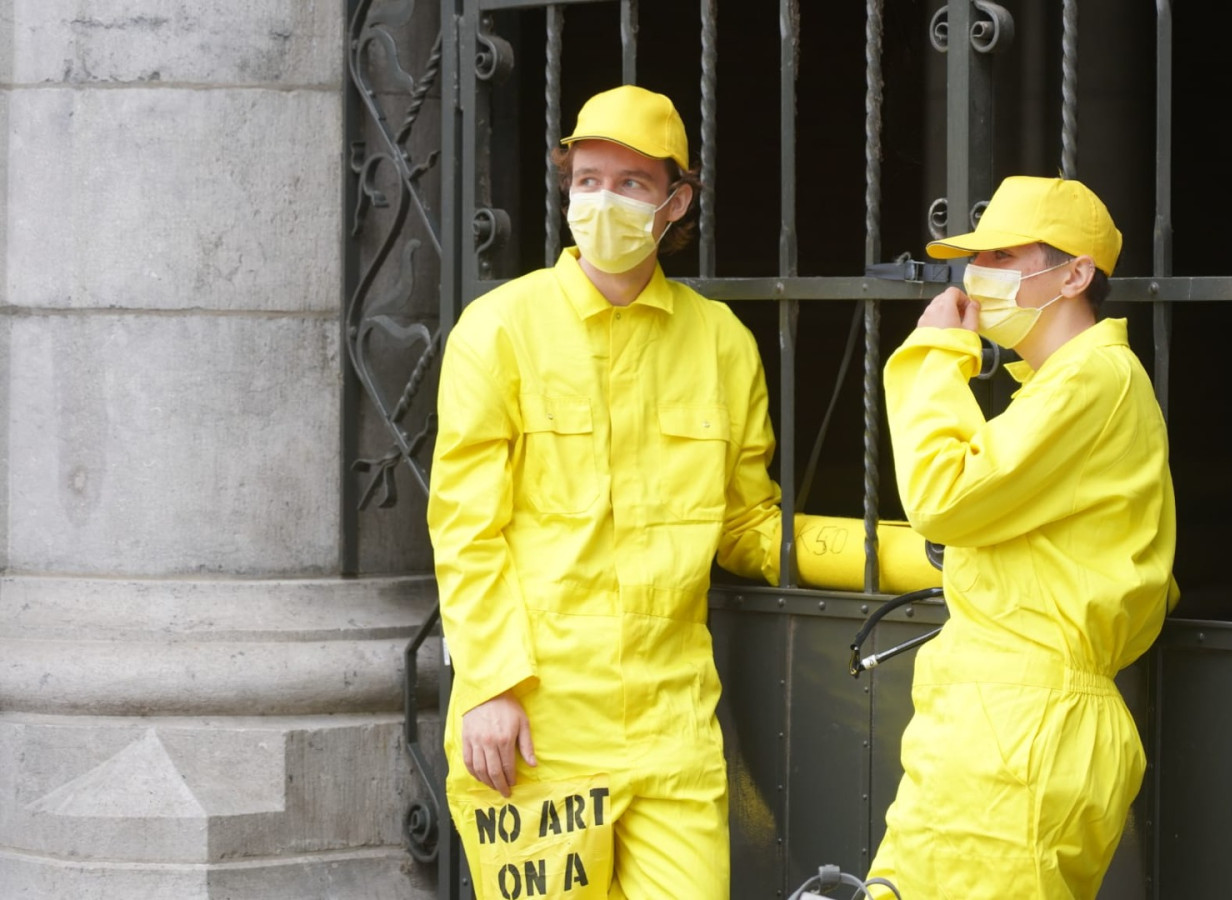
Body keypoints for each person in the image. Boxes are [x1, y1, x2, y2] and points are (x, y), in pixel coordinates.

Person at [427, 85, 935, 900]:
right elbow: (465, 526)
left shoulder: (721, 344)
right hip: (535, 724)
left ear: (676, 200)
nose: (603, 200)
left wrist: (920, 553)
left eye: (630, 183)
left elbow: (746, 525)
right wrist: (488, 685)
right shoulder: (499, 331)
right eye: (587, 179)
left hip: (673, 726)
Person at [868, 176, 1179, 899]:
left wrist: (933, 350)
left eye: (1005, 257)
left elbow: (944, 497)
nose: (980, 277)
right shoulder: (1056, 387)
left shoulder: (1095, 378)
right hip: (992, 724)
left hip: (1028, 729)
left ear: (1073, 274)